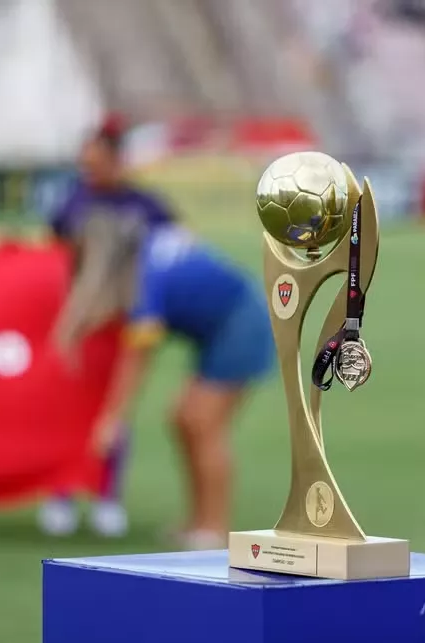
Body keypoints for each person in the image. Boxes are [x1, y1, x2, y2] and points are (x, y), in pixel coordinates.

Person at [89, 219, 275, 549]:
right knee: (185, 419)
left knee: (202, 424)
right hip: (228, 323)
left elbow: (139, 353)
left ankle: (214, 527)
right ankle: (199, 521)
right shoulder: (150, 250)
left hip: (241, 325)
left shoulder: (145, 278)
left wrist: (113, 417)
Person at [37, 114, 176, 538]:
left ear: (116, 159)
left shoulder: (147, 206)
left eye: (95, 162)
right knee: (66, 409)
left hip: (125, 328)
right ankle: (61, 494)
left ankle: (106, 497)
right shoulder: (73, 203)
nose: (89, 170)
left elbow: (174, 254)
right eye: (85, 163)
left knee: (114, 411)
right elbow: (49, 255)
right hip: (80, 325)